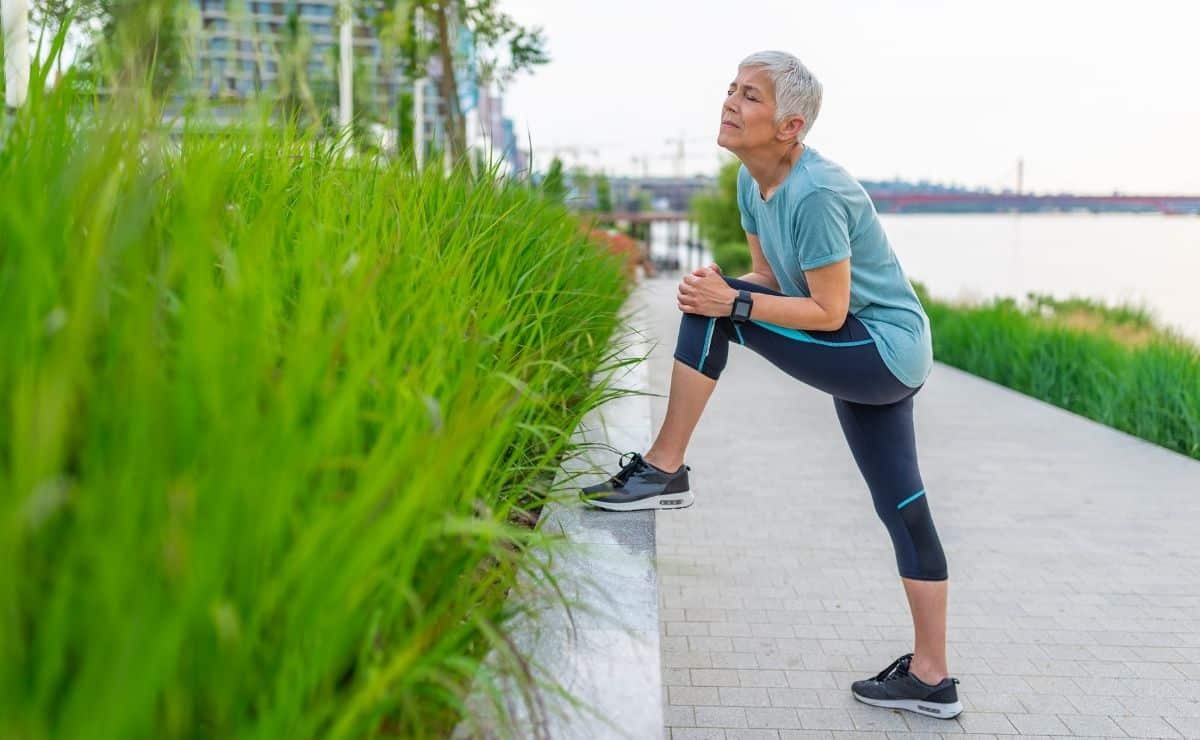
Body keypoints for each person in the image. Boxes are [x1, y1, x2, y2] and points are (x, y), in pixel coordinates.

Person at [579, 50, 962, 720]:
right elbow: (772, 281)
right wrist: (724, 287)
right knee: (902, 505)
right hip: (869, 350)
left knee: (718, 310)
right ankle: (932, 678)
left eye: (750, 95)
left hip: (879, 349)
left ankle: (664, 468)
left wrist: (729, 302)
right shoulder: (749, 183)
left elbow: (828, 312)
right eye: (731, 88)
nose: (730, 102)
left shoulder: (816, 193)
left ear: (789, 127)